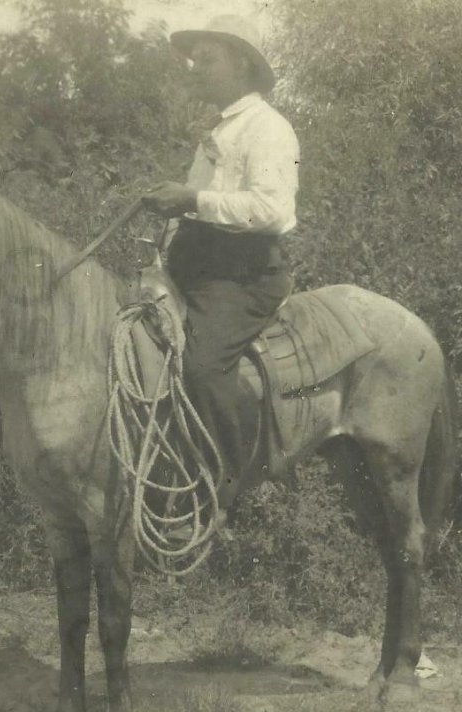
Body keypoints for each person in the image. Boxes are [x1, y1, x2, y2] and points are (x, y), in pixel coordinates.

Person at [142, 15, 300, 522]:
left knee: (205, 367)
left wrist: (192, 197)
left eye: (207, 58)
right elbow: (199, 206)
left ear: (242, 64)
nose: (196, 68)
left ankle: (229, 482)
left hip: (243, 276)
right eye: (194, 59)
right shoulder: (219, 128)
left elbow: (271, 210)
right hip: (198, 269)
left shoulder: (270, 129)